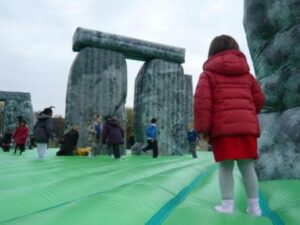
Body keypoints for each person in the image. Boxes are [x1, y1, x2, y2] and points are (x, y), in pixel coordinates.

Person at [194, 35, 265, 216]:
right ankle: (255, 207)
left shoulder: (208, 75)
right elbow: (259, 99)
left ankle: (228, 205)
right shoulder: (247, 75)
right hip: (246, 129)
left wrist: (203, 128)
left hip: (223, 130)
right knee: (247, 167)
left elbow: (203, 104)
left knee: (226, 167)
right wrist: (247, 114)